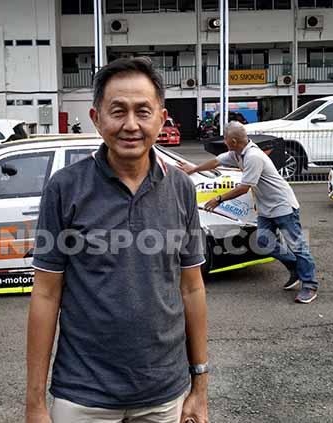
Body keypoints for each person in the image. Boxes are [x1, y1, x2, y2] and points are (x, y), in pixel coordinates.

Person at [26, 57, 209, 423]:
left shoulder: (180, 188)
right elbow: (46, 294)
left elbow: (191, 289)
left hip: (163, 394)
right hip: (82, 394)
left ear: (161, 116)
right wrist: (35, 404)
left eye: (143, 111)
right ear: (96, 118)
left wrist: (199, 388)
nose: (130, 125)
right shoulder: (65, 189)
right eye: (117, 111)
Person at [178, 121, 319, 304]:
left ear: (235, 141)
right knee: (263, 241)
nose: (225, 144)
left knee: (297, 244)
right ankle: (295, 267)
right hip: (266, 208)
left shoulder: (253, 156)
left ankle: (310, 285)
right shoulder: (237, 153)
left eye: (227, 141)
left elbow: (244, 188)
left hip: (283, 206)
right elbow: (216, 161)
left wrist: (218, 199)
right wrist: (194, 169)